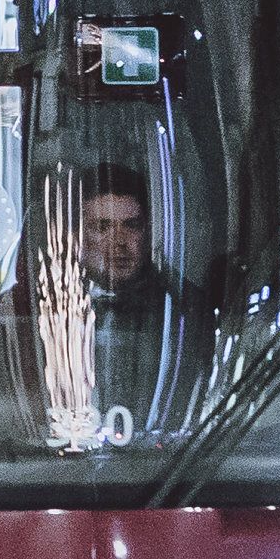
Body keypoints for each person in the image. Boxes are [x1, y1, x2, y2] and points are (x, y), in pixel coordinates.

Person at [71, 163, 213, 427]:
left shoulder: (184, 305)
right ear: (77, 235)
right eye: (102, 227)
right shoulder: (43, 304)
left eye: (131, 226)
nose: (119, 241)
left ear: (147, 231)